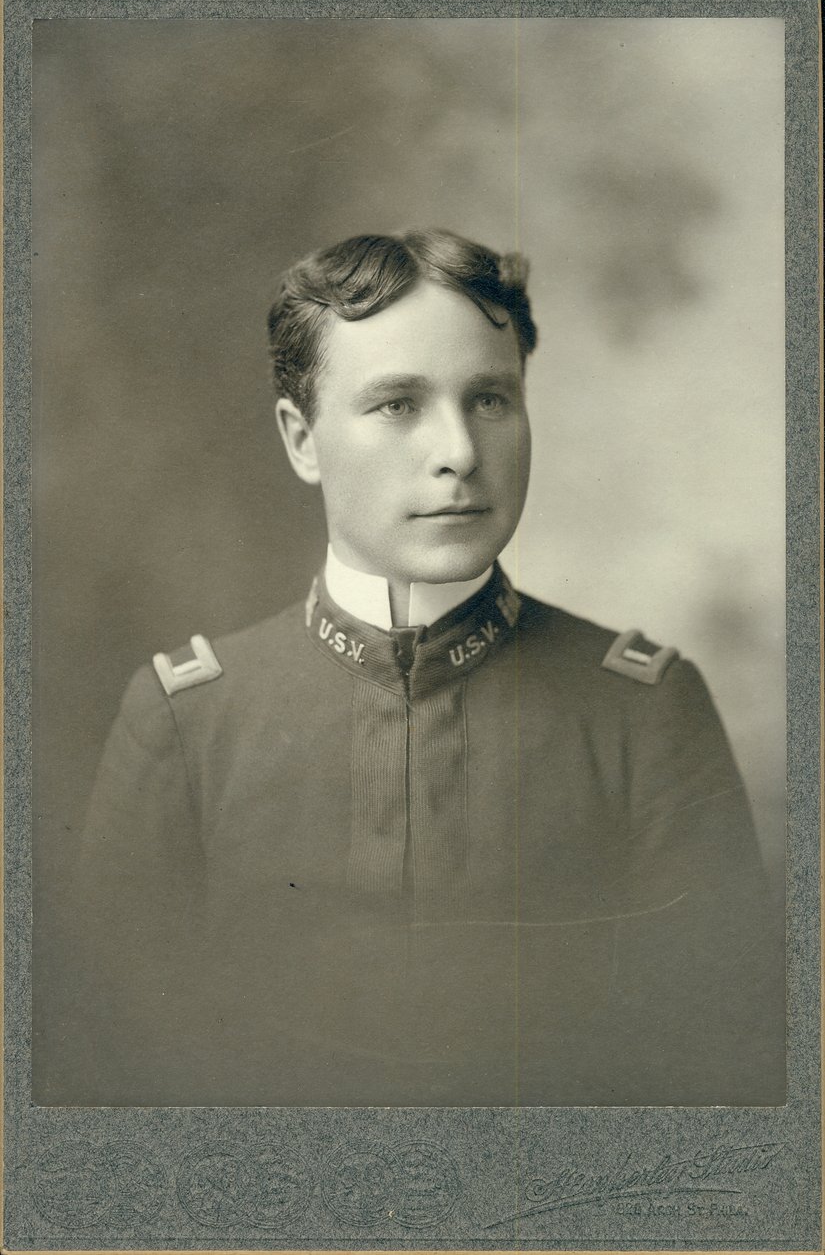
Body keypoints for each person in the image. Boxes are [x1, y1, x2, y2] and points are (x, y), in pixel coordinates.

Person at [56, 229, 783, 1106]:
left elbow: (722, 1080)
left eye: (489, 399)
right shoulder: (187, 720)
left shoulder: (641, 711)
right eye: (398, 404)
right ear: (302, 440)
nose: (461, 453)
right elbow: (102, 1078)